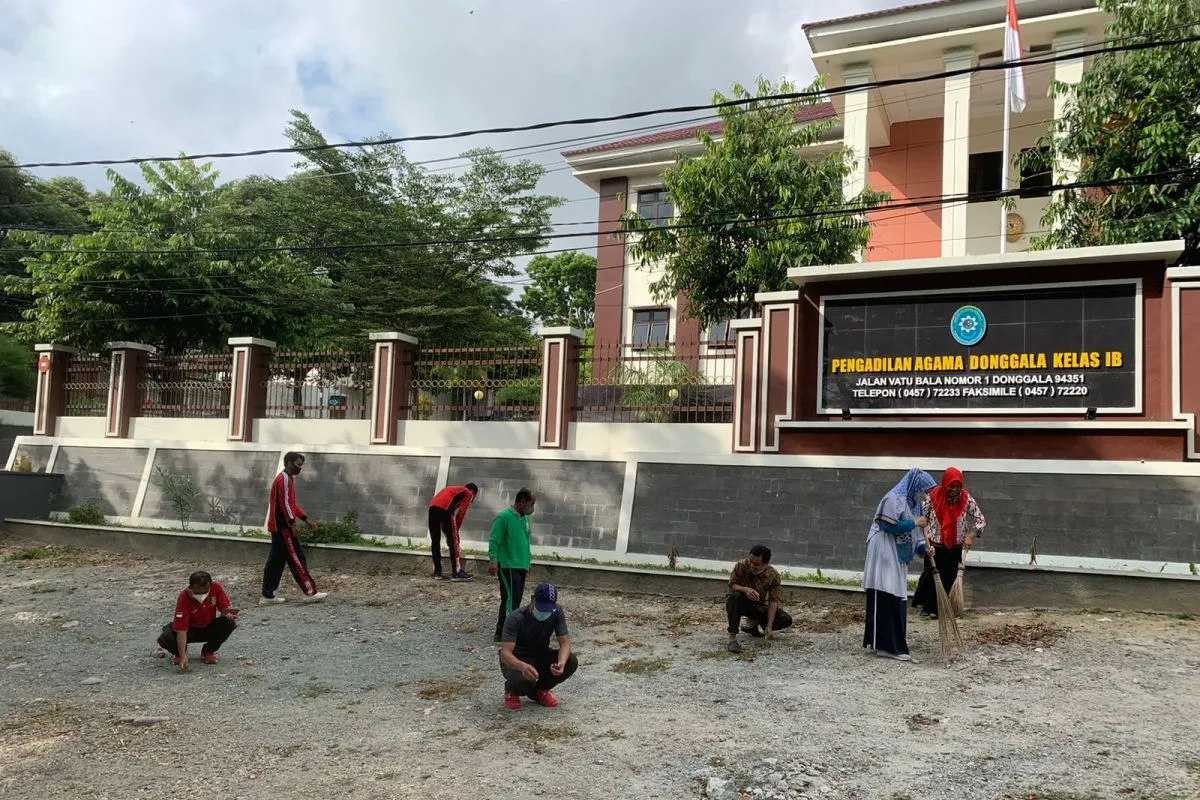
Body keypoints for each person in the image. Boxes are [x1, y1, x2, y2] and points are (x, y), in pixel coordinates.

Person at [863, 468, 936, 661]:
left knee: (897, 594)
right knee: (885, 590)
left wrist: (925, 550)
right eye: (925, 490)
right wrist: (915, 523)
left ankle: (889, 643)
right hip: (884, 550)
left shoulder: (916, 506)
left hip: (898, 554)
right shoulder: (893, 499)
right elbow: (887, 526)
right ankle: (887, 646)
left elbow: (917, 539)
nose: (926, 495)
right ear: (915, 486)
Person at [913, 467, 987, 618]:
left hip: (955, 548)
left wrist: (971, 535)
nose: (955, 489)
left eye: (958, 486)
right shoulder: (933, 497)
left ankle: (942, 609)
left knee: (948, 579)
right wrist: (924, 537)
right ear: (945, 483)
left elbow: (981, 520)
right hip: (934, 547)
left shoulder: (966, 499)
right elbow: (922, 519)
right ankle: (928, 607)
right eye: (951, 486)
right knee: (932, 577)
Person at [261, 451, 328, 604]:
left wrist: (305, 518)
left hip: (278, 526)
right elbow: (285, 505)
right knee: (296, 557)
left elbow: (290, 504)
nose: (300, 468)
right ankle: (310, 592)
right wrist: (292, 524)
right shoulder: (284, 479)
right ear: (290, 463)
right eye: (298, 464)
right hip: (283, 526)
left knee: (276, 561)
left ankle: (267, 595)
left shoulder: (285, 479)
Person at [498, 583, 578, 710]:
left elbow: (565, 643)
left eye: (548, 609)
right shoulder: (515, 618)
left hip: (540, 654)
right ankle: (511, 690)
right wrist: (522, 666)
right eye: (542, 608)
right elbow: (505, 654)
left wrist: (561, 663)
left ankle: (540, 690)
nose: (544, 612)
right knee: (525, 680)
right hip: (518, 658)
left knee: (571, 661)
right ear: (532, 599)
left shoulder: (556, 612)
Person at [155, 571, 238, 672]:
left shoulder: (216, 588)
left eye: (205, 591)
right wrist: (183, 656)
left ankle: (208, 651)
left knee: (228, 623)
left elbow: (225, 608)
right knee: (166, 636)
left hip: (208, 626)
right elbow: (181, 629)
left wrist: (228, 614)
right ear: (190, 588)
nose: (202, 595)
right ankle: (179, 653)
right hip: (189, 630)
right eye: (198, 592)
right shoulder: (184, 597)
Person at [726, 544, 794, 654]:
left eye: (756, 564)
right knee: (734, 597)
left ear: (765, 564)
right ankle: (732, 637)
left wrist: (769, 626)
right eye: (750, 561)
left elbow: (773, 600)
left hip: (759, 607)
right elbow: (732, 585)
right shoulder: (741, 566)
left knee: (786, 619)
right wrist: (745, 590)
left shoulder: (773, 575)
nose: (752, 565)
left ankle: (753, 625)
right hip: (741, 602)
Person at [488, 487, 536, 642]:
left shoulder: (524, 519)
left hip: (520, 564)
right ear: (522, 502)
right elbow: (494, 539)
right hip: (508, 564)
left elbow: (526, 541)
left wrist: (527, 562)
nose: (532, 508)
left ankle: (505, 630)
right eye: (531, 504)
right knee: (510, 599)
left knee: (516, 598)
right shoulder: (504, 517)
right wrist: (493, 560)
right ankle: (507, 632)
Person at [428, 482, 478, 582]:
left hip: (432, 507)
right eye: (474, 497)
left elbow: (443, 518)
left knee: (435, 541)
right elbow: (461, 513)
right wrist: (454, 533)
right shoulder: (468, 493)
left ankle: (437, 572)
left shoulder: (454, 491)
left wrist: (448, 533)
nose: (472, 500)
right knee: (453, 542)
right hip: (444, 508)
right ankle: (456, 572)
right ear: (473, 492)